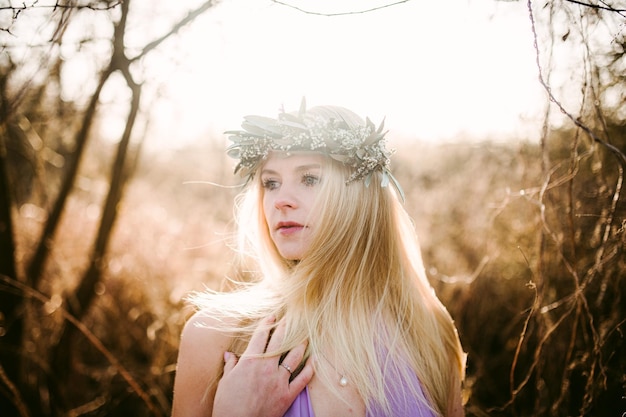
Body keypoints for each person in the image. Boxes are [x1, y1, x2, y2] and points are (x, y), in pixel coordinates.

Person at [171, 100, 466, 417]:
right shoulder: (215, 337)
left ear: (360, 196)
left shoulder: (429, 331)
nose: (280, 200)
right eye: (271, 183)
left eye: (309, 179)